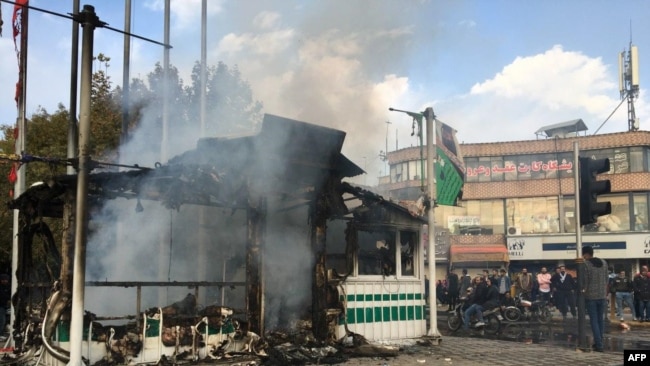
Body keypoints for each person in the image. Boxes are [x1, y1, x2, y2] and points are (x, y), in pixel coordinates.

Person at [581, 245, 608, 352]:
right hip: (602, 295)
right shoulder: (604, 263)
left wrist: (583, 290)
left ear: (586, 254)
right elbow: (606, 279)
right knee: (600, 320)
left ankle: (599, 345)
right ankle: (599, 341)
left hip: (591, 296)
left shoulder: (586, 264)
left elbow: (585, 281)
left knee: (594, 321)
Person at [0, 274, 10, 338]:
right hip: (1, 306)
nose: (6, 281)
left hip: (3, 306)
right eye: (4, 280)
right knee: (2, 320)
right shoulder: (1, 288)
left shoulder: (6, 287)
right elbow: (3, 296)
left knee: (3, 320)